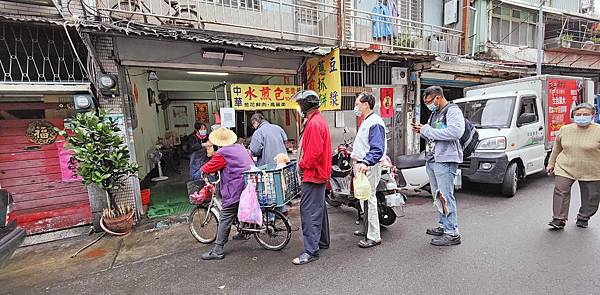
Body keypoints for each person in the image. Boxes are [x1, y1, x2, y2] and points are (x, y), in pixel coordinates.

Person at [412, 86, 465, 246]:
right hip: (433, 159)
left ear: (438, 98)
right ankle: (443, 225)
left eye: (429, 101)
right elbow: (433, 134)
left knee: (446, 196)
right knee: (438, 195)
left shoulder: (453, 111)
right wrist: (422, 130)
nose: (428, 105)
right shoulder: (435, 113)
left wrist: (427, 130)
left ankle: (452, 233)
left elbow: (456, 132)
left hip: (445, 160)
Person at [291, 90, 332, 265]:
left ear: (306, 105)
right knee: (319, 209)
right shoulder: (316, 120)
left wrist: (301, 165)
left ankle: (311, 251)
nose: (299, 107)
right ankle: (322, 241)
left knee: (309, 212)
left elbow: (313, 153)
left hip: (313, 174)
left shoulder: (314, 123)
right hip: (319, 173)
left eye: (300, 104)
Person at [200, 127, 254, 260]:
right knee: (238, 208)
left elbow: (209, 166)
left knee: (225, 215)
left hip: (236, 186)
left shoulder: (222, 153)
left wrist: (202, 171)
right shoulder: (240, 147)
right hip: (249, 183)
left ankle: (218, 250)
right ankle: (243, 231)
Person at [546, 102, 600, 229]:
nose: (582, 117)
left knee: (591, 196)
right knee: (560, 191)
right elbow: (557, 148)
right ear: (573, 116)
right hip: (565, 167)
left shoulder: (598, 131)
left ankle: (583, 216)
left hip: (592, 169)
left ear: (593, 115)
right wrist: (551, 163)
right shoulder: (565, 130)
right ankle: (559, 219)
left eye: (585, 114)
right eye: (578, 114)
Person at [350, 92, 386, 248]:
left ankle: (374, 236)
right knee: (363, 198)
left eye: (357, 104)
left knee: (369, 199)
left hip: (368, 166)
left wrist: (366, 162)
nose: (356, 107)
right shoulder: (367, 121)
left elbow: (377, 149)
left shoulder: (375, 123)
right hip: (362, 166)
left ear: (366, 104)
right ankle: (367, 229)